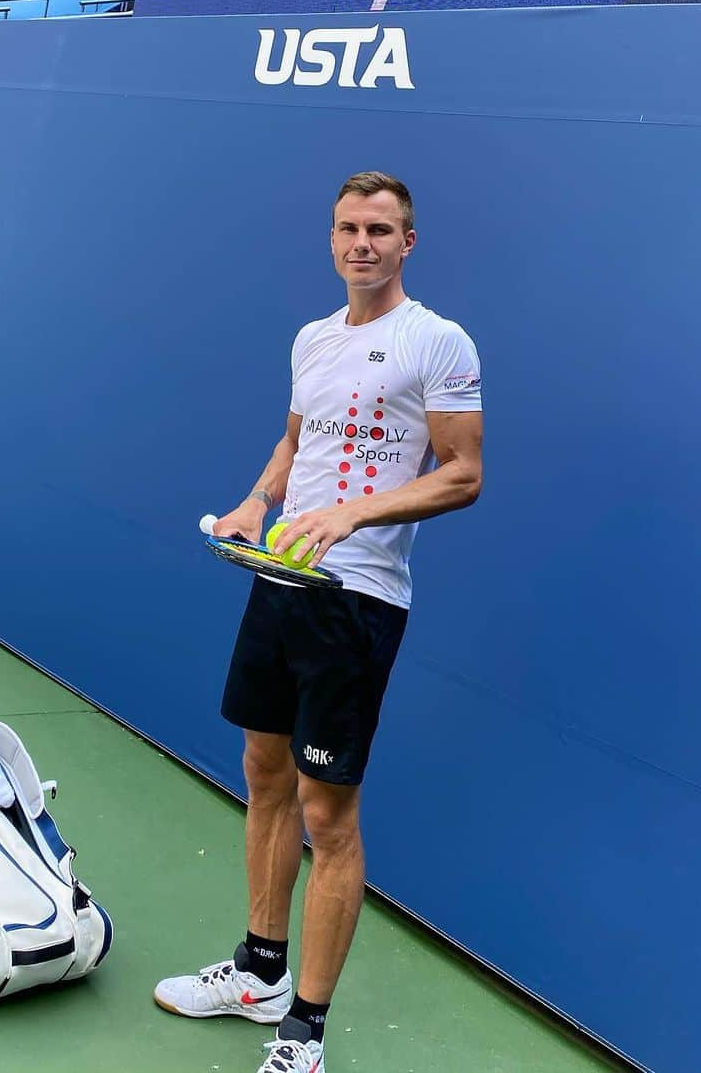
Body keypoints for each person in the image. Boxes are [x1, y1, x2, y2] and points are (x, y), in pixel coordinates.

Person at [155, 172, 484, 1073]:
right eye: (348, 228)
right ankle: (259, 970)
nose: (361, 244)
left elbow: (463, 473)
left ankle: (304, 1032)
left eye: (380, 229)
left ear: (407, 242)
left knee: (326, 814)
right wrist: (256, 502)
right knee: (263, 773)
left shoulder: (438, 341)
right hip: (280, 582)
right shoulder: (311, 337)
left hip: (357, 601)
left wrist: (353, 515)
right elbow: (298, 442)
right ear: (331, 238)